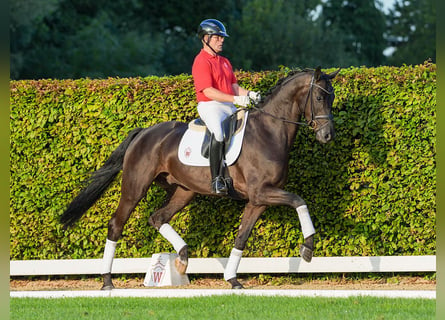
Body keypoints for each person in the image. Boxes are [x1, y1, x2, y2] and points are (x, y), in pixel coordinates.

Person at [192, 18, 261, 195]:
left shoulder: (224, 61)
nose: (221, 40)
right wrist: (235, 100)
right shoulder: (201, 61)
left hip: (228, 104)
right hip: (211, 106)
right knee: (219, 133)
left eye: (222, 37)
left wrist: (250, 94)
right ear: (206, 38)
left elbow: (235, 87)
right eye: (217, 37)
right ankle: (217, 179)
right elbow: (208, 91)